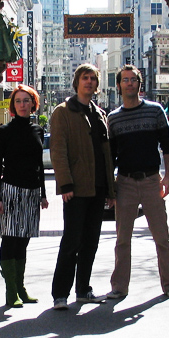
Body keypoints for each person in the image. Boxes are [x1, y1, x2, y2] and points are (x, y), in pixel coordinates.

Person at [108, 64, 169, 299]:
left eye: (133, 79)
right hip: (125, 182)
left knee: (161, 237)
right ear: (118, 85)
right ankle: (119, 286)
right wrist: (111, 187)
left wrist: (167, 176)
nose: (129, 83)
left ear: (139, 83)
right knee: (122, 239)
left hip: (151, 180)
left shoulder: (155, 110)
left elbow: (167, 143)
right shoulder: (114, 119)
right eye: (125, 80)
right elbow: (111, 155)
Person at [50, 63, 115, 310]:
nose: (89, 82)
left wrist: (111, 190)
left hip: (98, 188)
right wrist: (65, 183)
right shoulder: (62, 112)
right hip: (75, 189)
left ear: (97, 85)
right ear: (76, 82)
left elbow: (107, 155)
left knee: (91, 242)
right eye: (85, 78)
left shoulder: (99, 113)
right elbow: (58, 150)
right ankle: (60, 294)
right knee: (71, 242)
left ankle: (83, 290)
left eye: (93, 79)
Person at [0, 85, 48, 307]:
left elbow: (39, 166)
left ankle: (21, 287)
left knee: (24, 240)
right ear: (12, 105)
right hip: (11, 191)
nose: (23, 105)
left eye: (27, 100)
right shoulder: (4, 131)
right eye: (18, 101)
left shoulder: (38, 130)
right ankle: (11, 290)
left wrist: (43, 193)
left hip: (32, 192)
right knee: (10, 239)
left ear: (33, 103)